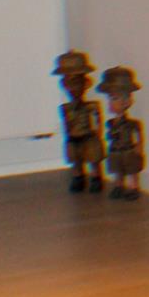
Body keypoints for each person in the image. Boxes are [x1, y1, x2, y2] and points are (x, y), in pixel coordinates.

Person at [54, 50, 104, 193]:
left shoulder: (91, 106)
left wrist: (97, 134)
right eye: (69, 83)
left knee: (93, 156)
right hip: (73, 137)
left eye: (77, 83)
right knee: (75, 158)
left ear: (86, 83)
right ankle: (78, 177)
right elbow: (66, 124)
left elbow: (97, 120)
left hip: (88, 136)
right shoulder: (65, 108)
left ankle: (95, 178)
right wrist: (68, 135)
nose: (73, 88)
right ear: (63, 85)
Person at [98, 66, 146, 202]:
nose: (110, 104)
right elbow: (109, 136)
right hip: (115, 151)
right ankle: (118, 185)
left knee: (131, 169)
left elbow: (139, 136)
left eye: (114, 99)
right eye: (110, 99)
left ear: (127, 101)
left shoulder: (132, 124)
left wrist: (139, 148)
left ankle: (133, 187)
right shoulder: (110, 123)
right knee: (117, 169)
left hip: (128, 150)